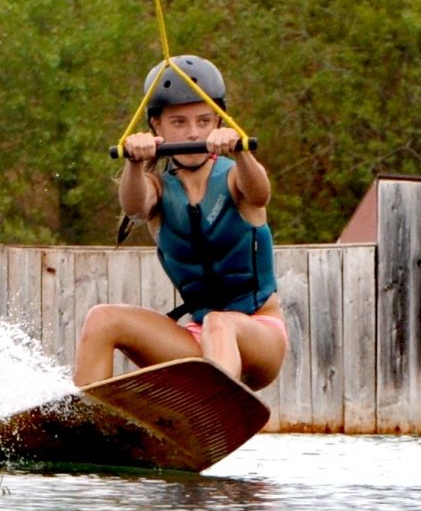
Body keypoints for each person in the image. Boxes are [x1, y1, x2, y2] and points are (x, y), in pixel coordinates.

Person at [73, 55, 288, 391]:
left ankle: (215, 410)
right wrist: (133, 163)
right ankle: (82, 425)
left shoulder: (235, 178)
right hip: (200, 344)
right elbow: (133, 207)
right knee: (103, 318)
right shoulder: (157, 190)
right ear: (156, 125)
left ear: (218, 121)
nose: (193, 133)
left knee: (220, 323)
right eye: (179, 122)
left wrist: (242, 153)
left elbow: (260, 194)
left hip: (260, 337)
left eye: (204, 121)